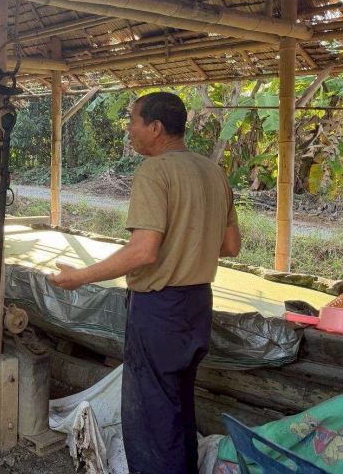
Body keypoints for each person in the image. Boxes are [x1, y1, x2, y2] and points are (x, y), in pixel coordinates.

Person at [49, 92, 241, 474]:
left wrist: (80, 277)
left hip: (160, 310)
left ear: (155, 127)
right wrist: (187, 249)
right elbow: (230, 245)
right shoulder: (213, 172)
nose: (129, 129)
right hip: (198, 305)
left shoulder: (155, 171)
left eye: (133, 121)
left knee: (152, 416)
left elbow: (143, 251)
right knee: (178, 406)